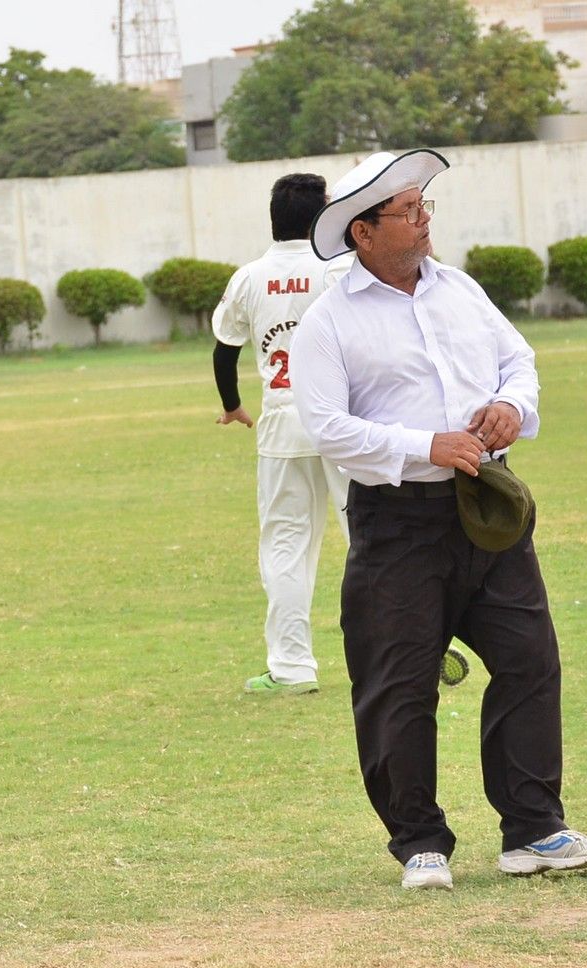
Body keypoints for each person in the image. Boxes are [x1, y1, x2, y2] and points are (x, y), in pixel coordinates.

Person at [289, 150, 587, 891]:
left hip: (487, 511)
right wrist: (423, 445)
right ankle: (420, 843)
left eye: (423, 207)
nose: (423, 220)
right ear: (363, 232)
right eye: (407, 211)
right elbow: (327, 428)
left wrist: (512, 406)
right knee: (399, 684)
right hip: (397, 523)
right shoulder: (328, 322)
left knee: (530, 660)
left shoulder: (461, 289)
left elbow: (518, 361)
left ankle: (533, 831)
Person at [211, 173, 351, 696]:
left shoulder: (249, 278)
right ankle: (401, 651)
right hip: (344, 424)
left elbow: (225, 349)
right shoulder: (340, 269)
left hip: (281, 425)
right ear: (321, 218)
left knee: (286, 547)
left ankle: (292, 668)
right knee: (369, 541)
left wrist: (232, 406)